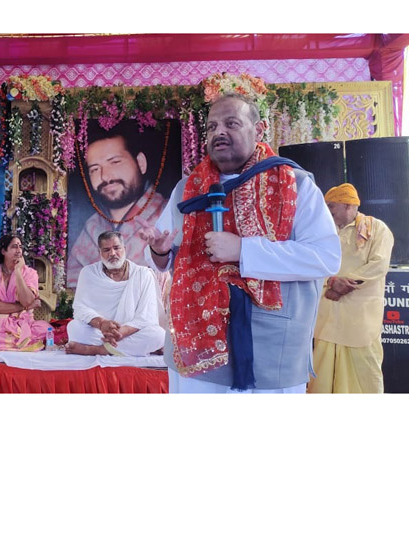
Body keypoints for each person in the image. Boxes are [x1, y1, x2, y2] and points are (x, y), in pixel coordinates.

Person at [144, 92, 341, 393]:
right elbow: (167, 257)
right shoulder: (187, 189)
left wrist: (244, 250)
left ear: (259, 130)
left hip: (271, 340)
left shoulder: (295, 184)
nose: (218, 132)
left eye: (231, 123)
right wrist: (158, 253)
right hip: (197, 343)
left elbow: (326, 257)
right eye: (211, 127)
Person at [308, 183, 394, 393]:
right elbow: (310, 263)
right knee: (322, 373)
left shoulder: (377, 228)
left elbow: (379, 265)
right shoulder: (321, 232)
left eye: (331, 206)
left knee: (365, 373)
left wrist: (342, 285)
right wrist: (330, 282)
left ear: (348, 206)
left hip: (360, 318)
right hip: (327, 316)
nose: (327, 211)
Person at [66, 125, 169, 288]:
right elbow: (74, 287)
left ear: (140, 163)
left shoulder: (165, 214)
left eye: (115, 162)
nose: (105, 176)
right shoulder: (92, 227)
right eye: (94, 169)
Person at [65, 231, 165, 356]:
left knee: (158, 335)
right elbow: (80, 309)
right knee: (74, 327)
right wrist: (102, 323)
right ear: (100, 253)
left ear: (124, 249)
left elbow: (146, 316)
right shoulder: (88, 273)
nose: (112, 253)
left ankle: (96, 350)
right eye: (106, 250)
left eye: (116, 248)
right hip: (100, 330)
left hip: (130, 331)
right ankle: (124, 349)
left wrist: (121, 332)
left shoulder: (143, 274)